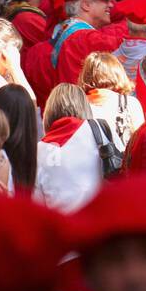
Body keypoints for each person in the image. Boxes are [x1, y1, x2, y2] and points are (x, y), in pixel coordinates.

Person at [34, 83, 101, 213]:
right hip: (101, 222)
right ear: (84, 107)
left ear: (49, 111)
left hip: (62, 227)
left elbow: (37, 204)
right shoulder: (99, 130)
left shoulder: (38, 151)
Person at [79, 51, 144, 150]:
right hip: (121, 163)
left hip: (86, 163)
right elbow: (140, 142)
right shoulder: (130, 104)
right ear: (118, 73)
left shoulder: (77, 105)